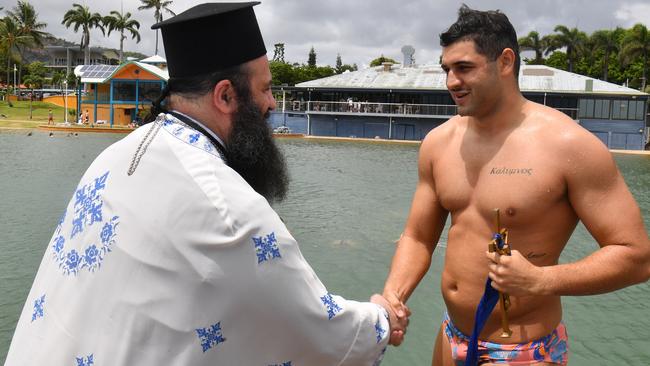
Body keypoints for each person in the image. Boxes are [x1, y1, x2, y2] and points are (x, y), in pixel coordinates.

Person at [4, 3, 407, 365]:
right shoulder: (225, 206)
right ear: (226, 96)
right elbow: (316, 329)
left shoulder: (112, 156)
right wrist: (382, 320)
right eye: (265, 89)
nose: (271, 104)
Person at [381, 5, 650, 366]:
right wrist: (393, 298)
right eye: (447, 70)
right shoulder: (438, 143)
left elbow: (636, 256)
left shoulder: (569, 146)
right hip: (451, 337)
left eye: (464, 68)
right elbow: (417, 236)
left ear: (505, 62)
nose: (451, 82)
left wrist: (543, 280)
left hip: (523, 348)